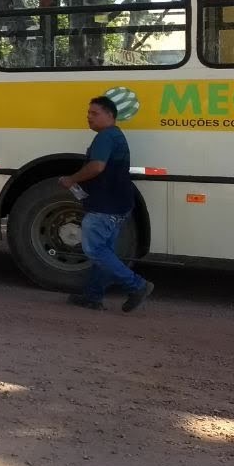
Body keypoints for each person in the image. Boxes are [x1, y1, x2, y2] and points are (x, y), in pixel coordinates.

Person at [59, 96, 154, 312]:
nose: (89, 118)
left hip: (105, 205)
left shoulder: (105, 137)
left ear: (110, 115)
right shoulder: (116, 135)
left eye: (94, 113)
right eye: (88, 114)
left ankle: (137, 285)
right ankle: (93, 297)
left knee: (96, 250)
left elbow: (97, 167)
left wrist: (71, 179)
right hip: (119, 203)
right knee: (105, 251)